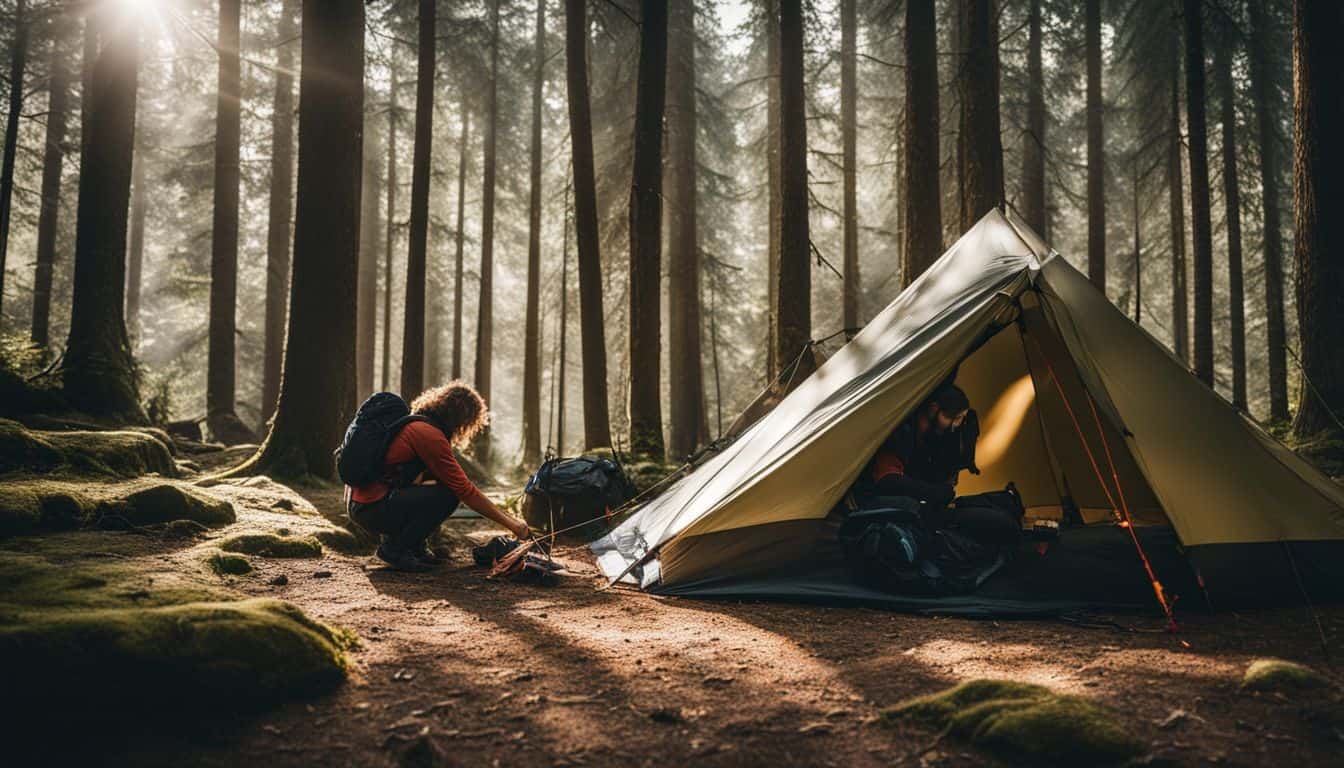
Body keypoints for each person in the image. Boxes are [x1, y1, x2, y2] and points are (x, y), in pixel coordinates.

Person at [347, 382, 530, 572]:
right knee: (449, 495)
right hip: (371, 509)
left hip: (365, 505)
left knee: (438, 488)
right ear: (462, 416)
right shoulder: (427, 434)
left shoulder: (417, 425)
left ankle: (414, 547)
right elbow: (465, 490)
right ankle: (395, 549)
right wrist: (513, 525)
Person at [867, 384, 974, 516]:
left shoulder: (940, 438)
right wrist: (932, 492)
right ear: (934, 409)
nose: (956, 425)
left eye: (961, 419)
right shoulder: (902, 432)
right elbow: (887, 480)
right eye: (955, 418)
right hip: (880, 502)